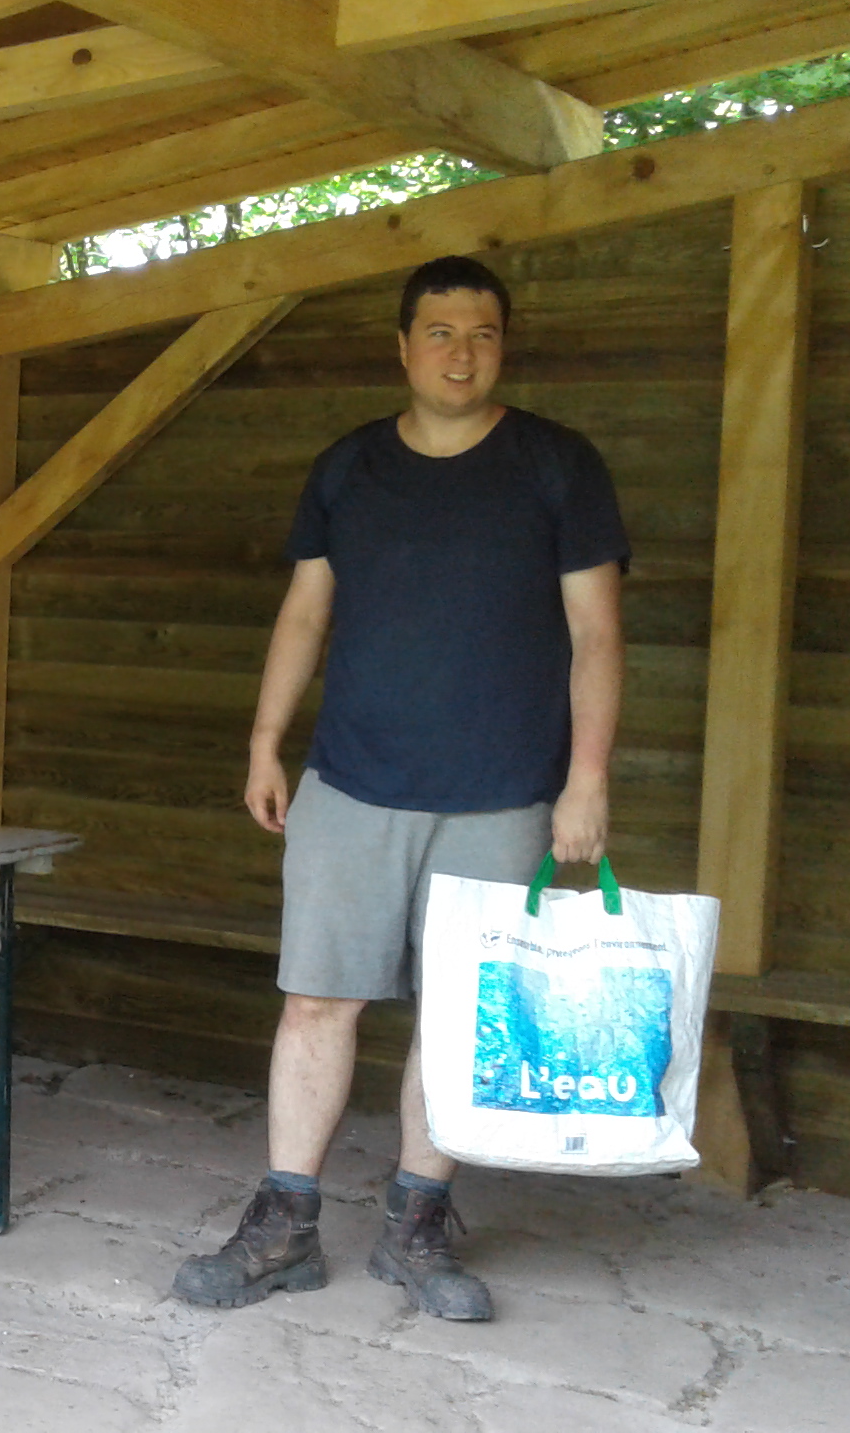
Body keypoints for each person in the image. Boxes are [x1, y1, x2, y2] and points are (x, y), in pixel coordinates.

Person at [171, 256, 628, 1322]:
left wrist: (586, 781)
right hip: (351, 781)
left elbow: (597, 634)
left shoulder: (557, 465)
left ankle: (415, 1230)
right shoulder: (348, 468)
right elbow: (304, 612)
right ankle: (284, 1229)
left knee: (458, 1016)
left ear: (502, 347)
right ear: (403, 346)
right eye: (439, 332)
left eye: (481, 333)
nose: (460, 353)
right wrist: (264, 743)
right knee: (315, 1000)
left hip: (503, 792)